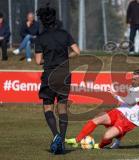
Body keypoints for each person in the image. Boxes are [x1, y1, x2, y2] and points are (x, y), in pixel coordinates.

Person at [35, 5, 80, 154]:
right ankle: (62, 140)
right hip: (64, 74)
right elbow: (77, 51)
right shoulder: (64, 33)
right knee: (62, 108)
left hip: (49, 75)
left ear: (42, 20)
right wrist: (65, 57)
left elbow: (38, 60)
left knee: (48, 107)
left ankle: (56, 136)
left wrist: (47, 59)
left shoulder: (41, 37)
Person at [65, 69, 139, 149]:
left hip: (130, 119)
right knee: (97, 119)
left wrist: (115, 95)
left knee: (107, 136)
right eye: (132, 79)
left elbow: (131, 101)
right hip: (120, 111)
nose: (132, 81)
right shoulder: (135, 86)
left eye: (135, 79)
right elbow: (128, 100)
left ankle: (99, 145)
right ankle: (77, 140)